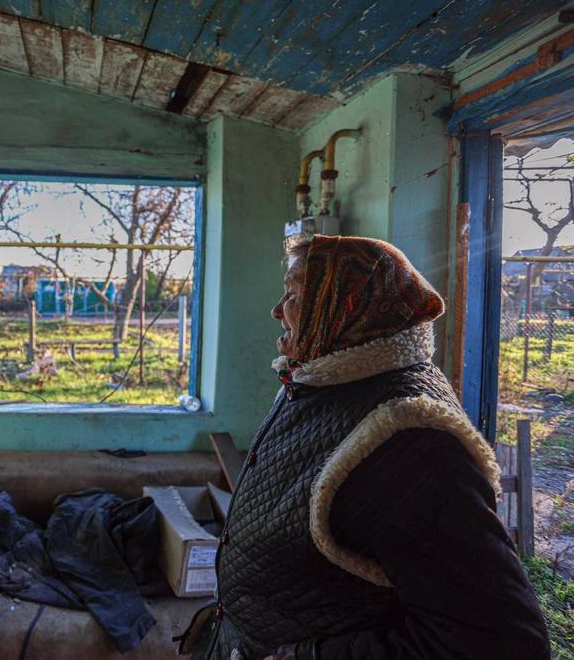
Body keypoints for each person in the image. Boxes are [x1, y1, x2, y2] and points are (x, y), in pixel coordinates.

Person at [181, 235, 549, 659]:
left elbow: (502, 642)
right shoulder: (323, 381)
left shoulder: (408, 444)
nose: (278, 309)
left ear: (347, 306)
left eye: (296, 291)